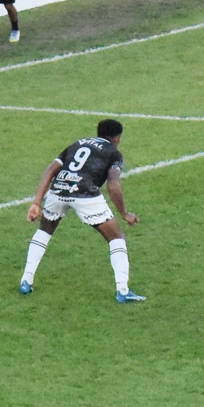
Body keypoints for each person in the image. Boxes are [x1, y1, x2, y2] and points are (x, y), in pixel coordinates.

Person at [20, 119, 145, 303]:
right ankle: (123, 291)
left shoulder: (77, 144)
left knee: (44, 232)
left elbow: (50, 170)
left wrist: (37, 202)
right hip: (85, 194)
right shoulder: (114, 154)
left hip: (58, 190)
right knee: (116, 238)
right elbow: (113, 186)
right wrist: (125, 213)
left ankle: (26, 280)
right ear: (117, 138)